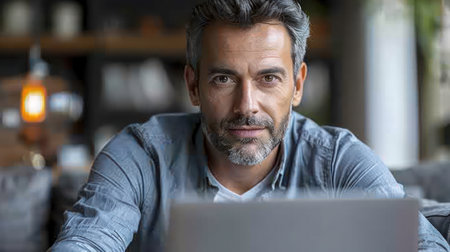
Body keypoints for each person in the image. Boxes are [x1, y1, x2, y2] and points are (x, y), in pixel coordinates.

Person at [50, 0, 450, 251]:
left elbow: (423, 245)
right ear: (193, 85)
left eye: (268, 78)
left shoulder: (337, 160)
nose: (247, 106)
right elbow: (86, 243)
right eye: (224, 79)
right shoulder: (139, 156)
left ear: (297, 85)